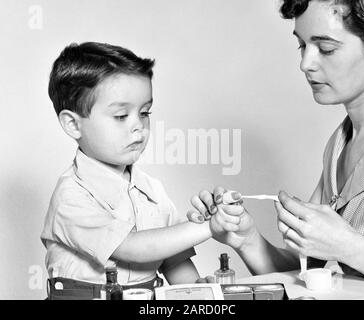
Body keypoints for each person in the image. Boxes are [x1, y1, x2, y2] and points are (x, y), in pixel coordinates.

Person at [188, 0, 364, 281]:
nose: (305, 64)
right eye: (302, 46)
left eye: (326, 48)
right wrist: (246, 238)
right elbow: (310, 274)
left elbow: (346, 253)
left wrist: (350, 248)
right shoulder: (339, 144)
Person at [41, 42, 231, 299]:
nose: (138, 126)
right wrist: (210, 226)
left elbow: (173, 260)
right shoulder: (71, 197)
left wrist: (196, 290)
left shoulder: (152, 190)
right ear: (73, 124)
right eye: (121, 116)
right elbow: (131, 248)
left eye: (144, 112)